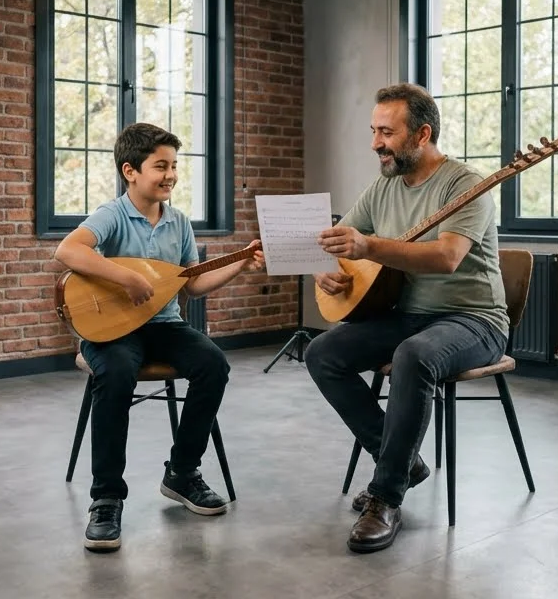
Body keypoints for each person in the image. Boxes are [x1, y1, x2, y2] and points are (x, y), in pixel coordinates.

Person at [305, 83, 509, 554]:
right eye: (374, 131)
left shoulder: (466, 185)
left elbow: (446, 257)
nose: (376, 143)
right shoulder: (385, 185)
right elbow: (340, 239)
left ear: (422, 134)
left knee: (413, 355)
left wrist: (369, 246)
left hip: (475, 320)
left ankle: (386, 496)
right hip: (409, 315)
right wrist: (323, 268)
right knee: (322, 352)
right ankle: (402, 461)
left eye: (387, 132)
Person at [54, 122, 264, 554]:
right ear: (130, 171)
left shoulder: (178, 222)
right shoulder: (113, 214)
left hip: (165, 325)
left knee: (213, 364)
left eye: (174, 166)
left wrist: (241, 263)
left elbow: (192, 284)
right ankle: (106, 497)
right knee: (115, 374)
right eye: (161, 166)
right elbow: (68, 251)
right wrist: (125, 276)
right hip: (112, 331)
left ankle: (182, 473)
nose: (171, 175)